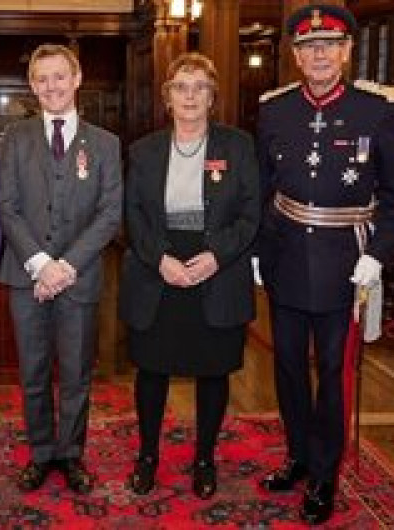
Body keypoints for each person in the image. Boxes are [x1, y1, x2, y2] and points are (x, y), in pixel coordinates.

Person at [256, 5, 394, 525]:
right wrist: (259, 252)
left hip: (348, 264)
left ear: (346, 51)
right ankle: (299, 455)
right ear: (296, 57)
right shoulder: (274, 112)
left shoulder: (376, 112)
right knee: (288, 367)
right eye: (307, 46)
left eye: (328, 44)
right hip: (285, 260)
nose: (318, 54)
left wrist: (377, 255)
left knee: (333, 371)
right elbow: (262, 190)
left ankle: (325, 472)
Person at [118, 52, 260, 499]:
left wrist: (216, 255)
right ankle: (147, 457)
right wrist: (160, 258)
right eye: (181, 86)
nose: (191, 95)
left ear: (213, 97)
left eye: (200, 87)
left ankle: (204, 459)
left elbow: (249, 214)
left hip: (216, 268)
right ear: (167, 97)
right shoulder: (143, 150)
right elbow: (133, 215)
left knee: (212, 370)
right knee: (152, 370)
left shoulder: (238, 146)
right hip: (157, 269)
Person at [0, 43, 122, 495]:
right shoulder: (14, 138)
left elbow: (110, 214)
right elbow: (7, 207)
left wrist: (65, 265)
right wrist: (40, 264)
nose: (51, 85)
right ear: (33, 85)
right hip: (24, 275)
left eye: (59, 76)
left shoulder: (105, 143)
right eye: (42, 78)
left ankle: (70, 455)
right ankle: (40, 453)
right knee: (32, 373)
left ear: (77, 78)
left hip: (80, 277)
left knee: (75, 374)